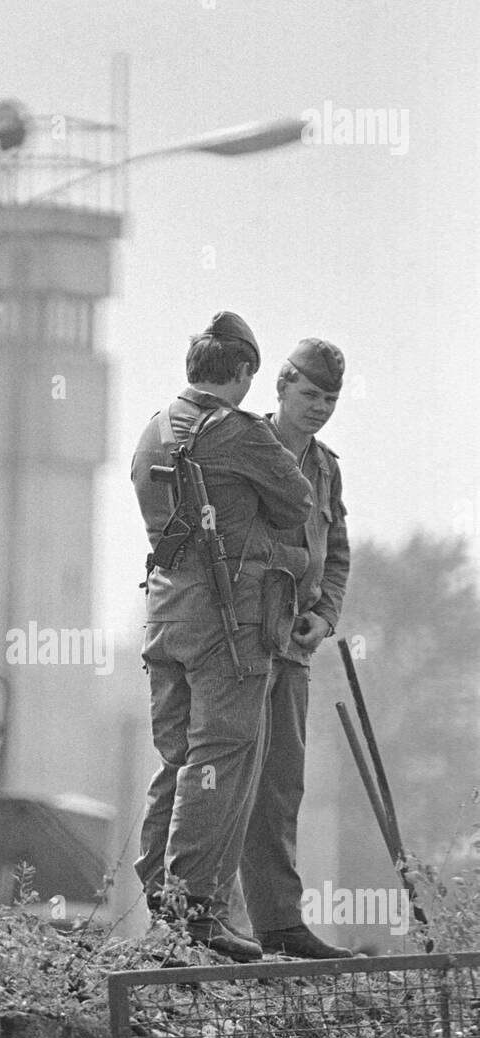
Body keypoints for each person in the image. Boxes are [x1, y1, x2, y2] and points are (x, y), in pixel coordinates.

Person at [131, 311, 313, 961]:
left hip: (165, 617)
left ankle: (161, 898)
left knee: (176, 760)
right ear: (241, 372)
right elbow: (295, 503)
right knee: (221, 760)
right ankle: (197, 910)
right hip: (227, 624)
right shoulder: (238, 432)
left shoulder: (154, 428)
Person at [222, 338, 352, 959]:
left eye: (329, 399)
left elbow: (338, 555)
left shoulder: (325, 466)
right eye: (309, 395)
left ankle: (279, 924)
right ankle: (198, 922)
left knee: (280, 786)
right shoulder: (245, 448)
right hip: (241, 641)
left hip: (292, 649)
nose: (319, 408)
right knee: (220, 779)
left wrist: (324, 617)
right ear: (280, 388)